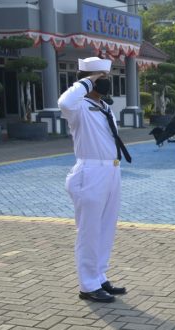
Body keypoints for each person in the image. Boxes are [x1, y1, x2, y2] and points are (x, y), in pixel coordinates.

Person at [58, 57, 130, 303]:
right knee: (88, 231)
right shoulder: (77, 106)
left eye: (106, 77)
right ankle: (87, 285)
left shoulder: (104, 107)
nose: (105, 82)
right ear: (88, 80)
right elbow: (64, 101)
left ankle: (99, 276)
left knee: (106, 229)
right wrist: (87, 82)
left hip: (111, 171)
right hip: (89, 173)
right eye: (101, 77)